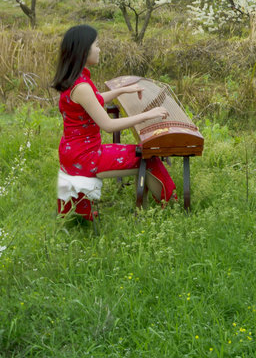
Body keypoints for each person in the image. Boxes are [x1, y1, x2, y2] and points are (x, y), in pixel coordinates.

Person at [52, 23, 175, 218]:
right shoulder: (82, 86)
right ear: (84, 51)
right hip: (86, 156)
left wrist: (122, 90)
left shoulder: (74, 80)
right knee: (147, 155)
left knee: (142, 153)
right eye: (97, 45)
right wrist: (147, 114)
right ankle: (173, 206)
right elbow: (108, 126)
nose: (99, 49)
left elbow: (94, 100)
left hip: (72, 152)